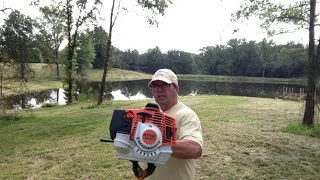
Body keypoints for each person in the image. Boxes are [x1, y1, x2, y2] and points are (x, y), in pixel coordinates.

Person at [146, 69, 203, 180]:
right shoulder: (152, 115)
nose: (159, 90)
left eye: (165, 85)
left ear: (176, 89)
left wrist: (154, 142)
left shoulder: (186, 115)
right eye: (155, 86)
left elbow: (195, 149)